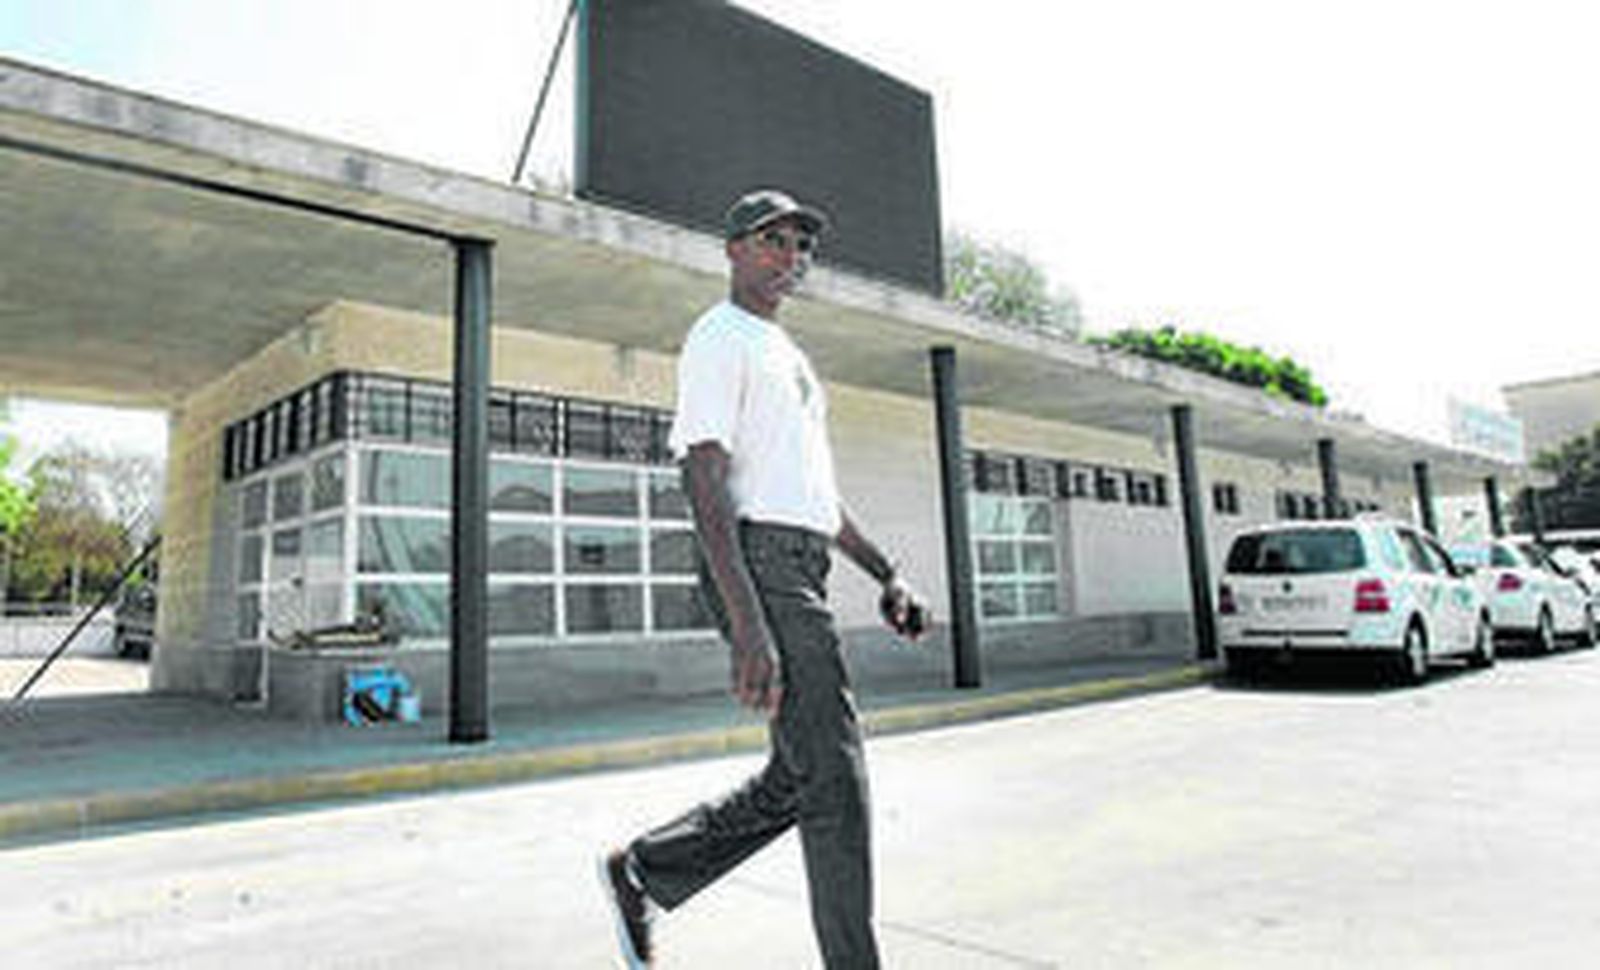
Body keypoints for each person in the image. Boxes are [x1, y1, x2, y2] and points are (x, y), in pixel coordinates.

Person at [598, 188, 930, 969]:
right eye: (772, 240)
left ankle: (644, 869)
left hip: (799, 561)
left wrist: (888, 573)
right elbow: (704, 480)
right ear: (734, 250)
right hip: (759, 567)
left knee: (799, 776)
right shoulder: (720, 337)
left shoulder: (790, 356)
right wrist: (748, 627)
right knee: (837, 781)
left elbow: (815, 499)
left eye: (800, 245)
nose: (790, 256)